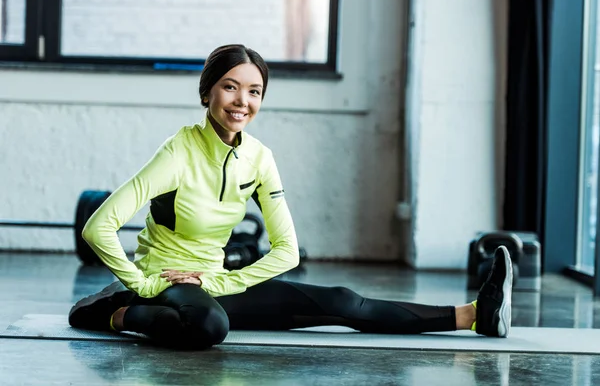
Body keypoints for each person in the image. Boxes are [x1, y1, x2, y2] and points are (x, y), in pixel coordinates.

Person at [68, 44, 513, 350]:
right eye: (230, 86)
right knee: (208, 326)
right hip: (164, 284)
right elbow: (98, 225)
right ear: (207, 92)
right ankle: (119, 313)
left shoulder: (259, 158)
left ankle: (474, 314)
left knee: (339, 299)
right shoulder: (177, 153)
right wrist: (143, 283)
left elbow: (285, 252)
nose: (242, 100)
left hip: (214, 284)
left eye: (254, 90)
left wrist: (216, 281)